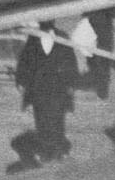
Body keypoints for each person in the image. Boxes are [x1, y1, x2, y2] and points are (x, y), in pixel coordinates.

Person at [14, 22, 80, 163]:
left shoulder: (62, 38)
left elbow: (71, 61)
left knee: (58, 120)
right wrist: (20, 80)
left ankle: (59, 150)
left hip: (58, 89)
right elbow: (24, 60)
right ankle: (45, 150)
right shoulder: (33, 39)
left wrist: (72, 83)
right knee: (41, 120)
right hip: (39, 90)